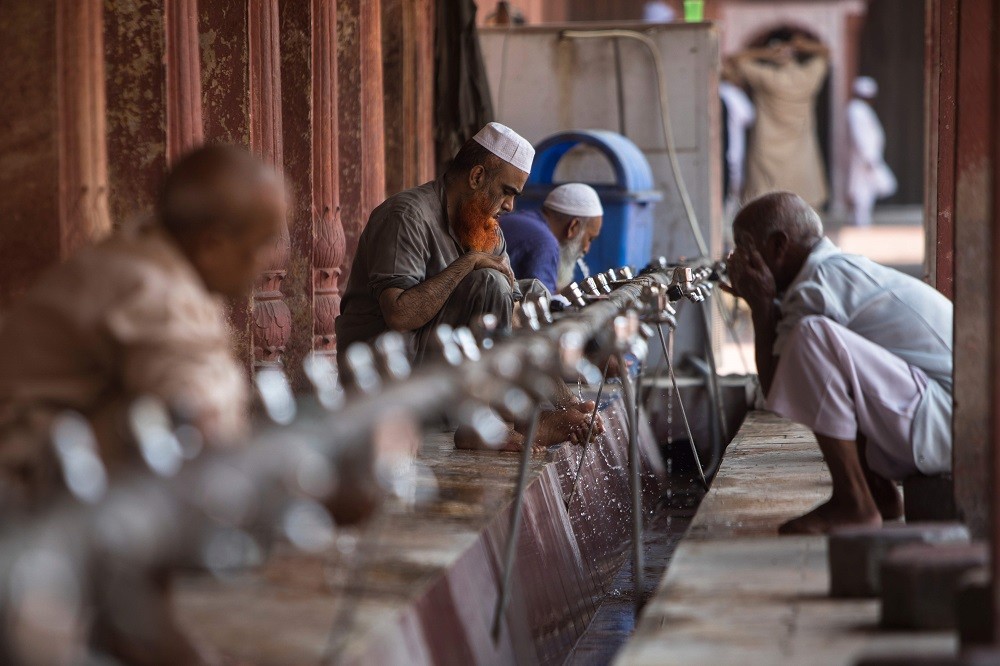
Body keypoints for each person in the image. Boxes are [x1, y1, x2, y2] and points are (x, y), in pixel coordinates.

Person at [0, 145, 287, 508]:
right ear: (212, 246)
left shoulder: (150, 258)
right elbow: (200, 423)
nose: (265, 262)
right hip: (25, 493)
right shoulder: (155, 290)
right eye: (259, 246)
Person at [336, 122, 597, 451]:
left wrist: (565, 400)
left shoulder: (488, 229)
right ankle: (481, 423)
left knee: (531, 295)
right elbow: (399, 316)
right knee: (489, 282)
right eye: (507, 192)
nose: (510, 207)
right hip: (385, 376)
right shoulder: (406, 216)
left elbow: (515, 314)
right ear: (476, 177)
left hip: (434, 365)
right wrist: (468, 263)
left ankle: (531, 416)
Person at [725, 191, 952, 535]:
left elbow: (776, 390)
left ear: (777, 246)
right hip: (945, 417)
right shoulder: (829, 272)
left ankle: (854, 502)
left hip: (947, 422)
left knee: (811, 337)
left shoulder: (815, 287)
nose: (737, 258)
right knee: (829, 358)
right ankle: (877, 493)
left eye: (744, 246)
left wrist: (760, 308)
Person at [733, 33, 830, 208]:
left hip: (767, 151)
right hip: (801, 152)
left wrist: (765, 53)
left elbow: (735, 59)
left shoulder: (766, 77)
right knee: (803, 211)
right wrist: (803, 45)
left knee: (766, 208)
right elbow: (827, 53)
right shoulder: (808, 76)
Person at [500, 183, 604, 295]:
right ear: (574, 227)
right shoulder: (545, 242)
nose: (586, 249)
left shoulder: (524, 219)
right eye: (589, 239)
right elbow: (542, 302)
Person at [847, 76, 897, 227]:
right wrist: (868, 157)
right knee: (862, 191)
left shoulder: (860, 109)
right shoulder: (856, 110)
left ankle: (862, 221)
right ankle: (861, 223)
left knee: (869, 190)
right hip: (864, 158)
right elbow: (860, 136)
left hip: (867, 157)